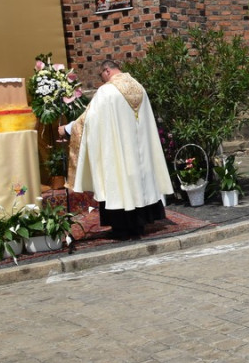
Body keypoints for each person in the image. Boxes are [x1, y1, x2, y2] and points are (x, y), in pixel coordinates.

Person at [61, 59, 174, 239]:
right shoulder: (138, 87)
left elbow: (90, 120)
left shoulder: (107, 91)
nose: (102, 80)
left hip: (119, 152)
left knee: (119, 184)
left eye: (101, 75)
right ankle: (140, 223)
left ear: (106, 71)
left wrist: (68, 129)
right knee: (138, 182)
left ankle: (123, 228)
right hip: (140, 153)